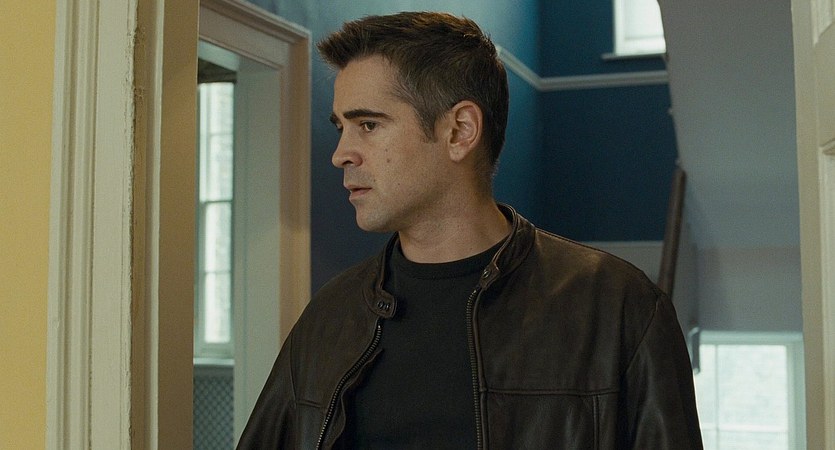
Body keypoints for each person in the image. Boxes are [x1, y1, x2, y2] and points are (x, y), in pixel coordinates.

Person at [238, 11, 703, 450]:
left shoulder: (620, 309)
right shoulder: (328, 318)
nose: (341, 153)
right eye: (341, 127)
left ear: (460, 130)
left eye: (368, 125)